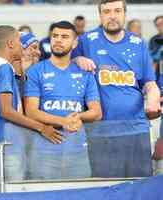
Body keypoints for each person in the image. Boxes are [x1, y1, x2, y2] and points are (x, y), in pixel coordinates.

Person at [72, 0, 161, 177]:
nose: (112, 16)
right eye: (107, 11)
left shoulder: (138, 43)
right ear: (100, 15)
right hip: (101, 130)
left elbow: (149, 83)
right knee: (106, 187)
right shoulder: (86, 41)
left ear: (124, 14)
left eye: (117, 11)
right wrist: (77, 60)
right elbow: (64, 63)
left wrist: (153, 98)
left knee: (140, 186)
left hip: (136, 128)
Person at [24, 21, 101, 180]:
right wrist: (63, 121)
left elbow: (97, 112)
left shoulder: (85, 73)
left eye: (64, 37)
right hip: (44, 150)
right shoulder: (35, 71)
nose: (58, 40)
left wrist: (78, 117)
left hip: (77, 149)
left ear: (74, 43)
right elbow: (31, 111)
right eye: (55, 36)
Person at [0, 25, 63, 180]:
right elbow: (6, 111)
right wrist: (42, 128)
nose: (21, 46)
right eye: (18, 41)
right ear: (10, 44)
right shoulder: (4, 69)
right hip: (8, 146)